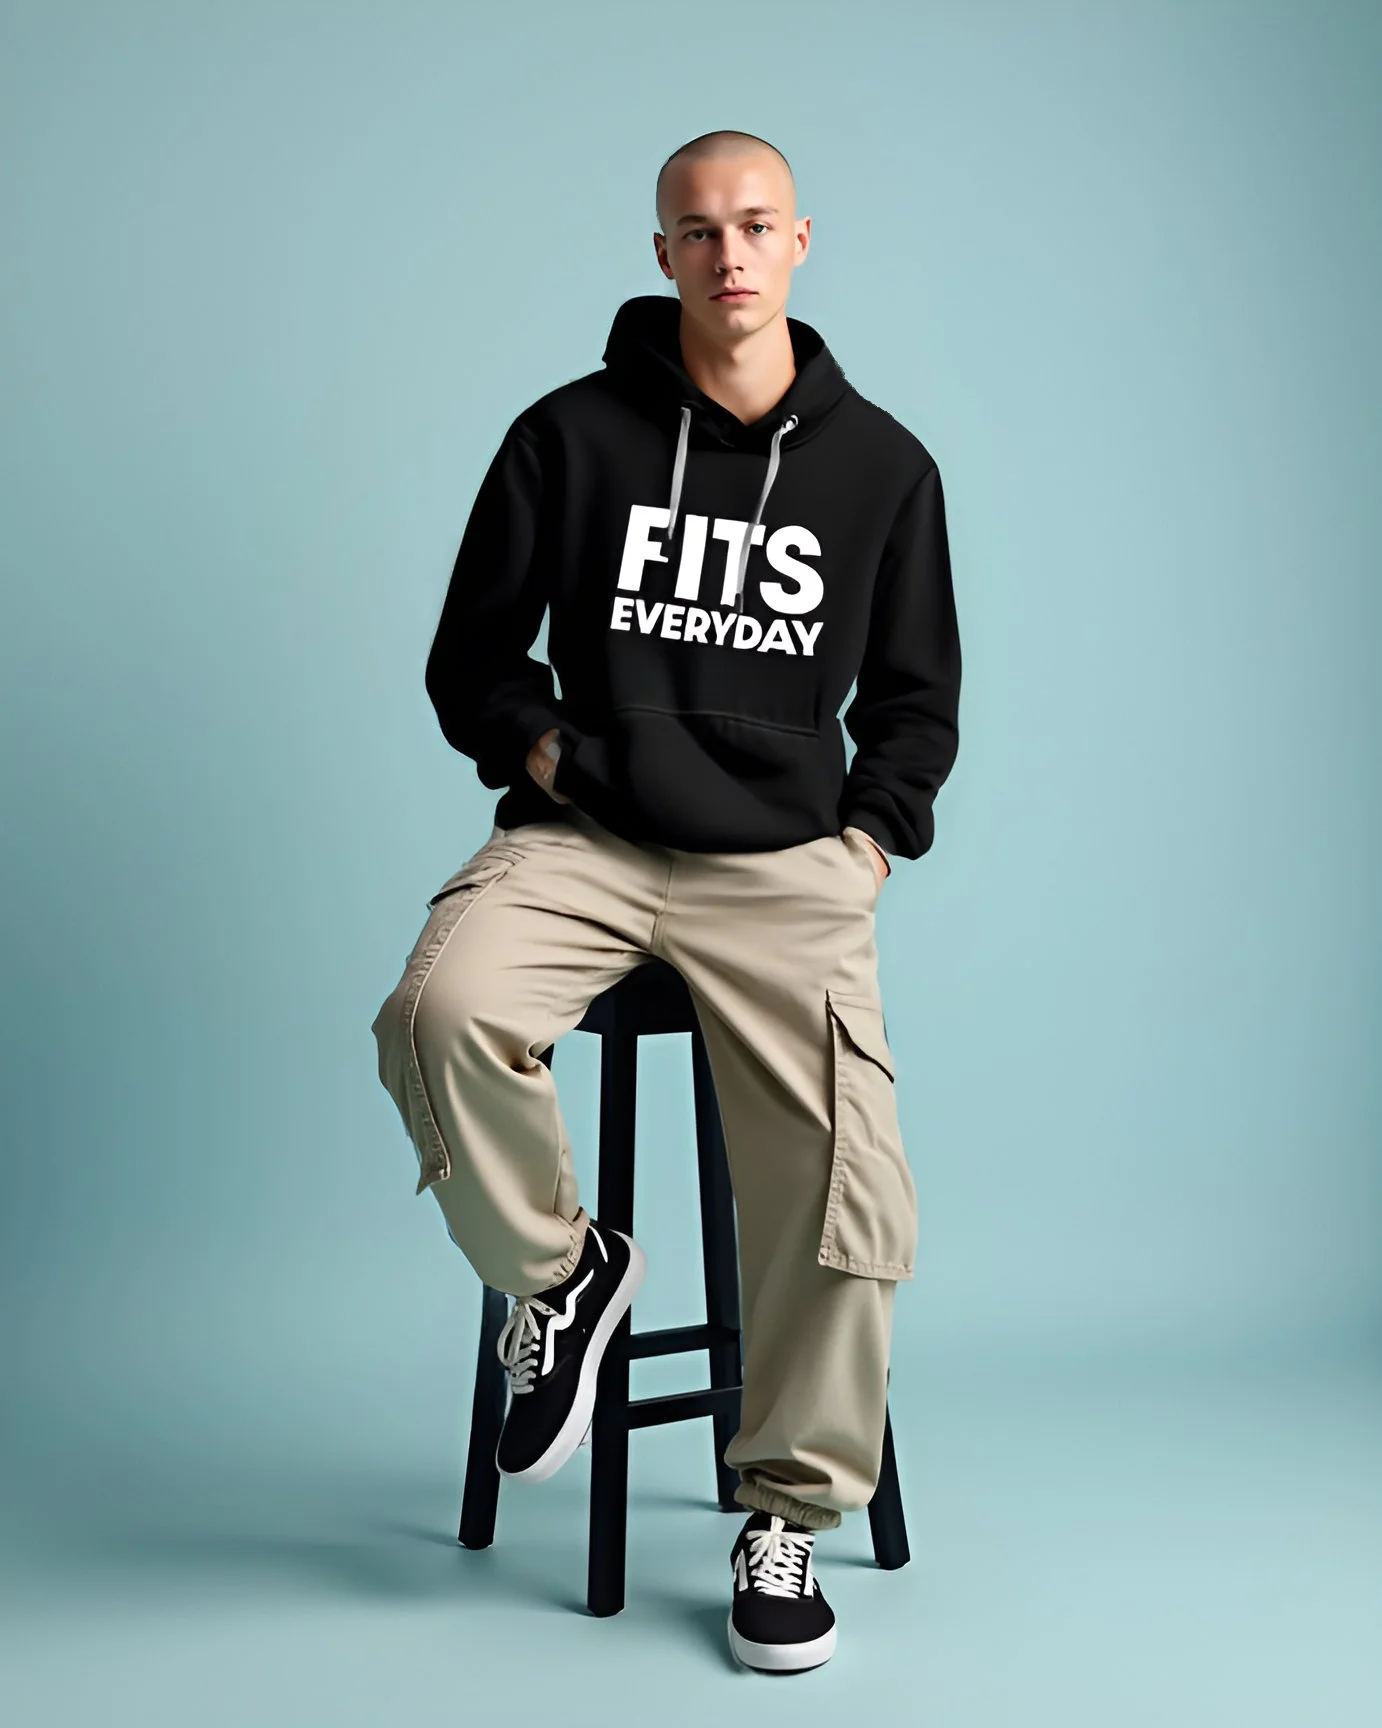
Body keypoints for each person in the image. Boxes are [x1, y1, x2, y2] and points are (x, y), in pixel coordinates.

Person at [371, 128, 961, 1674]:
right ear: (661, 256)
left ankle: (786, 1515)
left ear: (802, 241)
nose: (728, 255)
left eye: (755, 225)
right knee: (437, 1010)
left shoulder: (883, 467)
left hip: (781, 870)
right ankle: (565, 1278)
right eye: (696, 231)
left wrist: (867, 843)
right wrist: (554, 756)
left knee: (847, 1188)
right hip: (591, 844)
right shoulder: (569, 438)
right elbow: (471, 660)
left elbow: (915, 701)